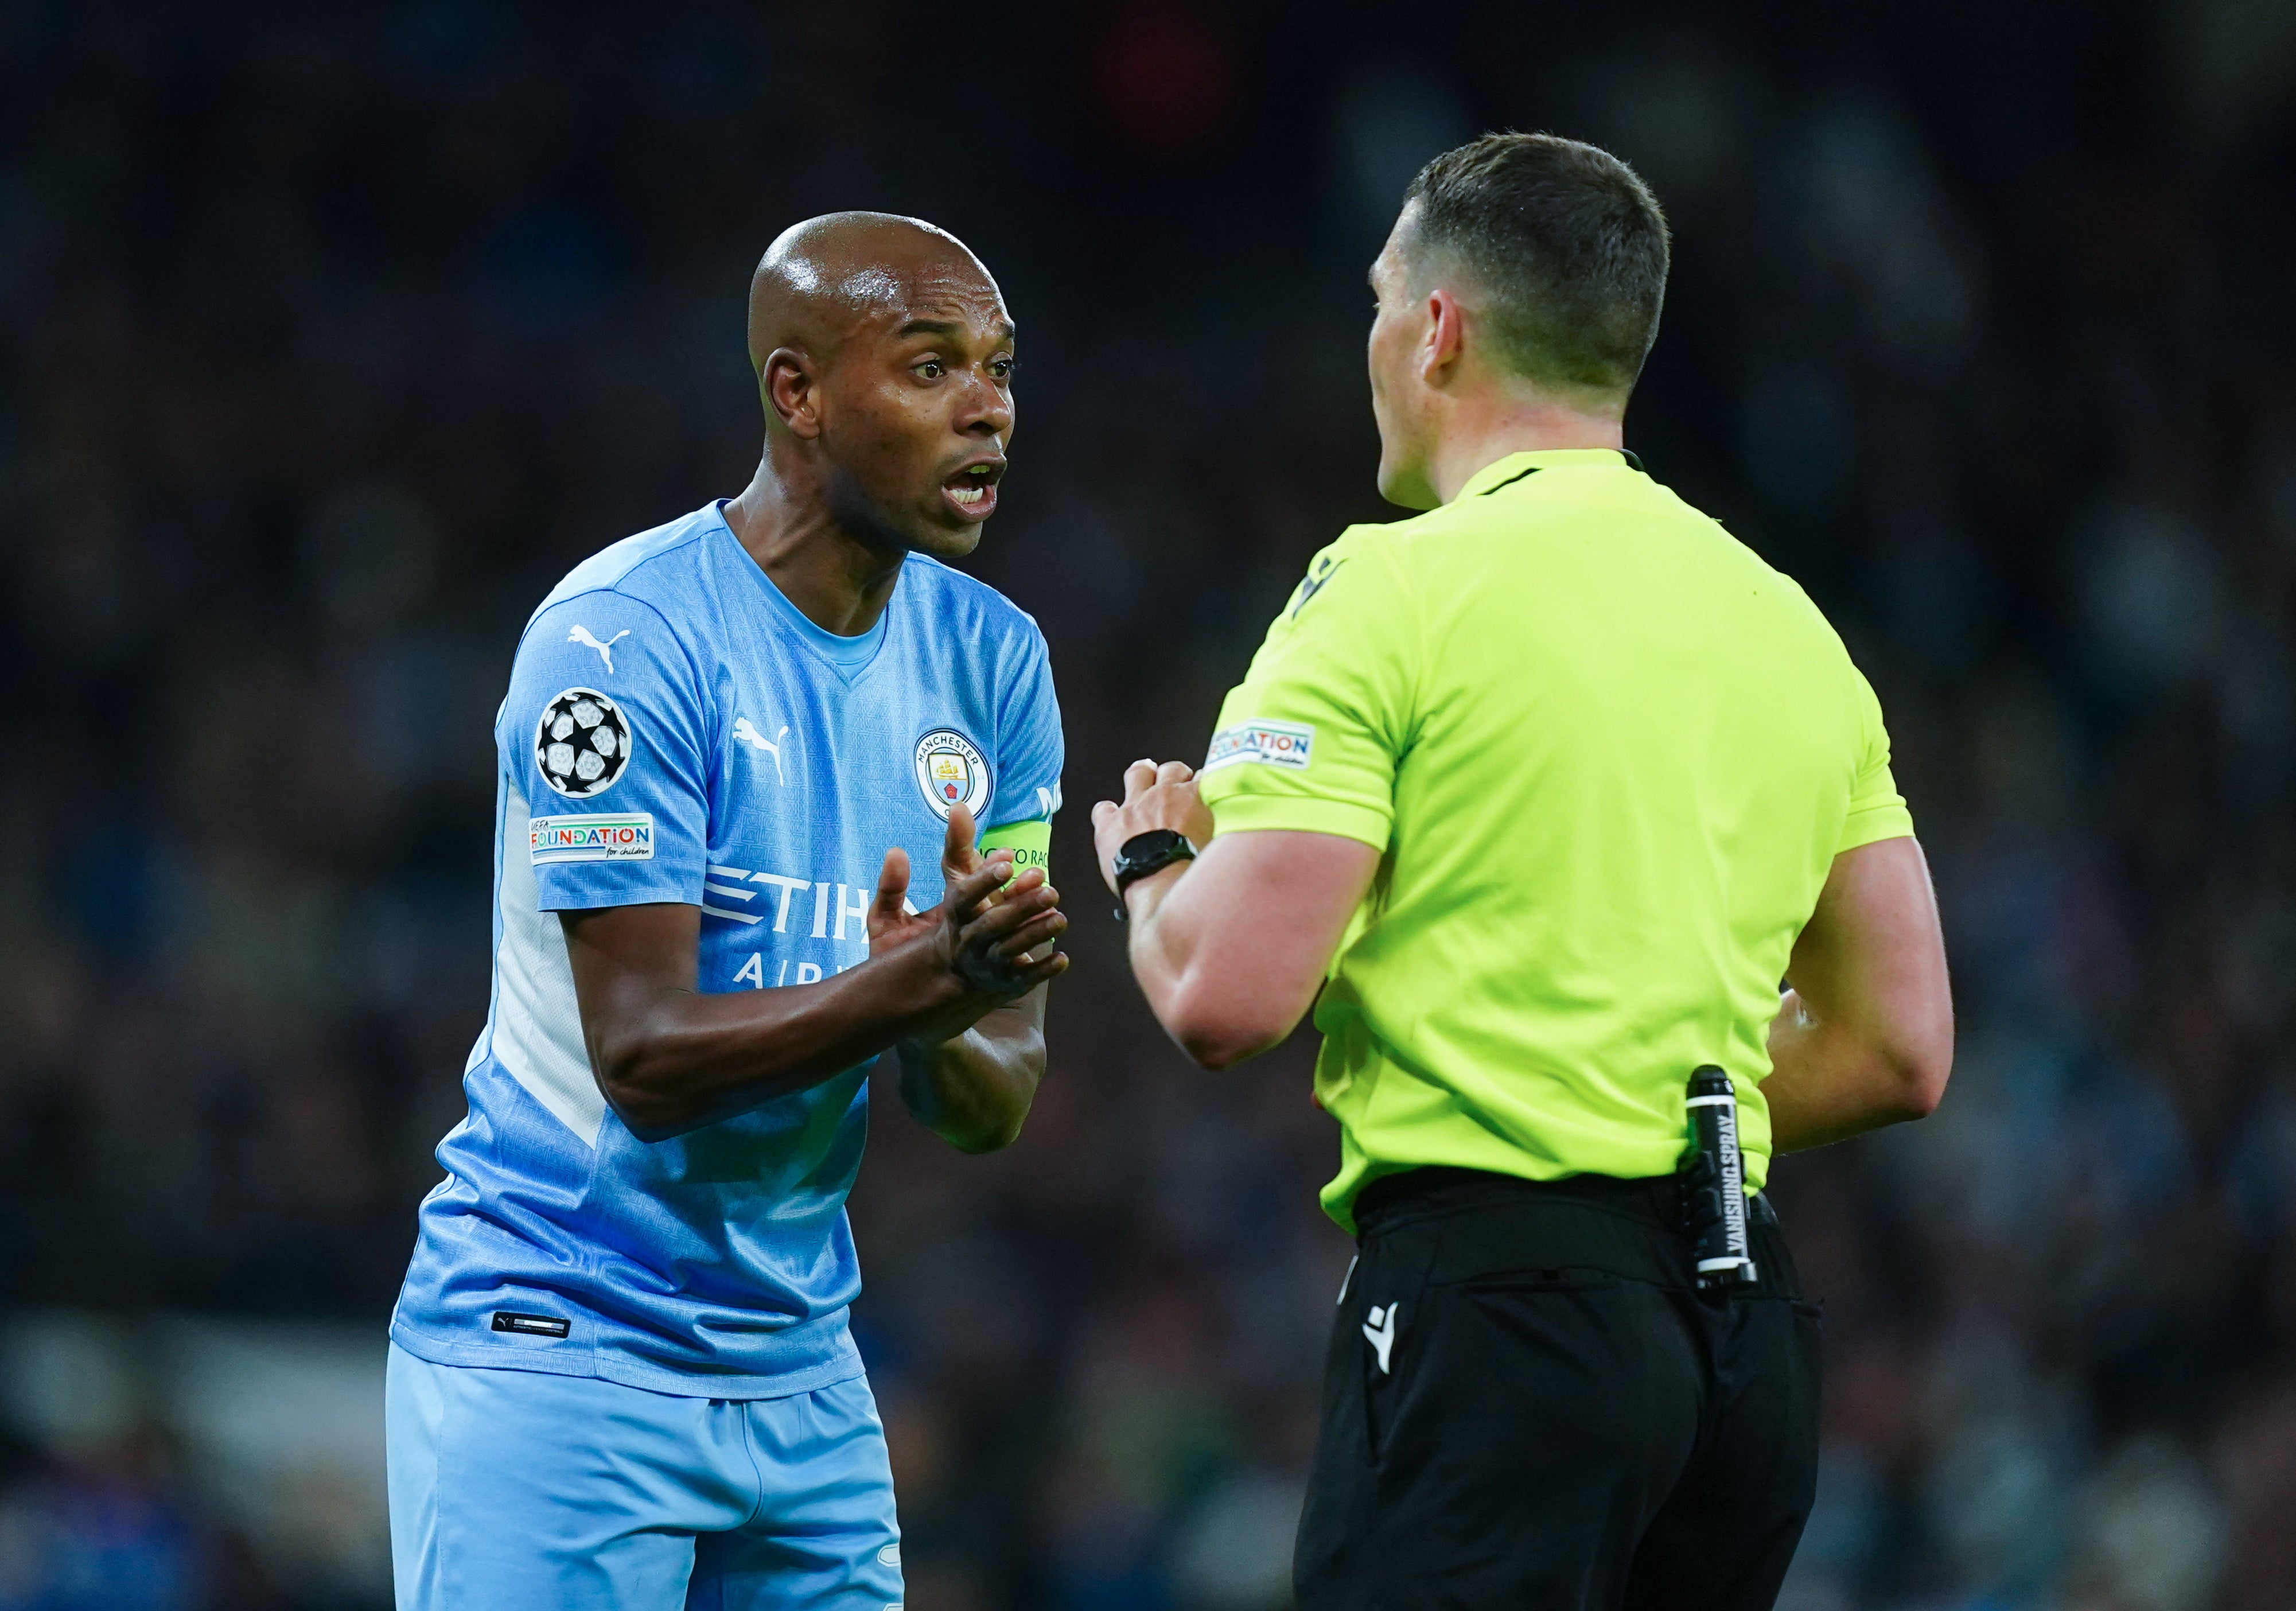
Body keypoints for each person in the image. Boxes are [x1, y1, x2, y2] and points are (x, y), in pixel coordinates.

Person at [1091, 134, 1954, 1610]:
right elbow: (1897, 1045)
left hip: (1499, 1321)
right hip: (1743, 1346)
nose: (1368, 334)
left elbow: (1225, 997)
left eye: (1379, 297)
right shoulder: (1792, 627)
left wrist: (1155, 869)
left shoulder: (1387, 592)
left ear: (1437, 330)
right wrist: (1636, 1082)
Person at [387, 212, 1069, 1608]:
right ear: (798, 393)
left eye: (998, 368)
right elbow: (642, 1059)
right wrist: (922, 983)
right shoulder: (624, 642)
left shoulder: (996, 667)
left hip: (801, 1367)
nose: (989, 407)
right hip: (559, 1331)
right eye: (932, 366)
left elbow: (990, 1102)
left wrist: (945, 1002)